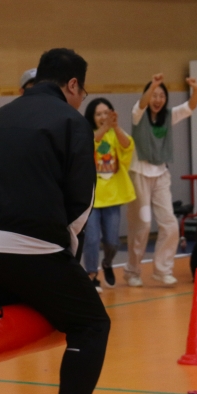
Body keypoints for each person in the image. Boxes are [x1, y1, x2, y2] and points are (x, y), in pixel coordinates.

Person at [0, 48, 109, 394]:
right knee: (93, 324)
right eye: (83, 92)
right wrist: (66, 260)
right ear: (73, 85)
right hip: (30, 246)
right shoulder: (72, 122)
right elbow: (81, 204)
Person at [125, 73, 197, 287]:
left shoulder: (168, 115)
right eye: (154, 95)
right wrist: (154, 84)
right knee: (142, 225)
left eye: (162, 96)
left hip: (161, 175)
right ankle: (132, 271)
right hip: (139, 174)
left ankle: (162, 270)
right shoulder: (138, 114)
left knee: (170, 223)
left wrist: (196, 89)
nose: (157, 100)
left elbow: (190, 106)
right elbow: (141, 103)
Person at [83, 98, 136, 291]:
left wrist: (115, 127)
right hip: (92, 198)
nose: (103, 117)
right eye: (99, 114)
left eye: (106, 113)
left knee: (112, 241)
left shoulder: (116, 133)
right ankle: (91, 275)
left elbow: (127, 146)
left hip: (113, 197)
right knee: (91, 239)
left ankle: (107, 263)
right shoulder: (87, 134)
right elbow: (89, 144)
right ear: (92, 117)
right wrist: (105, 128)